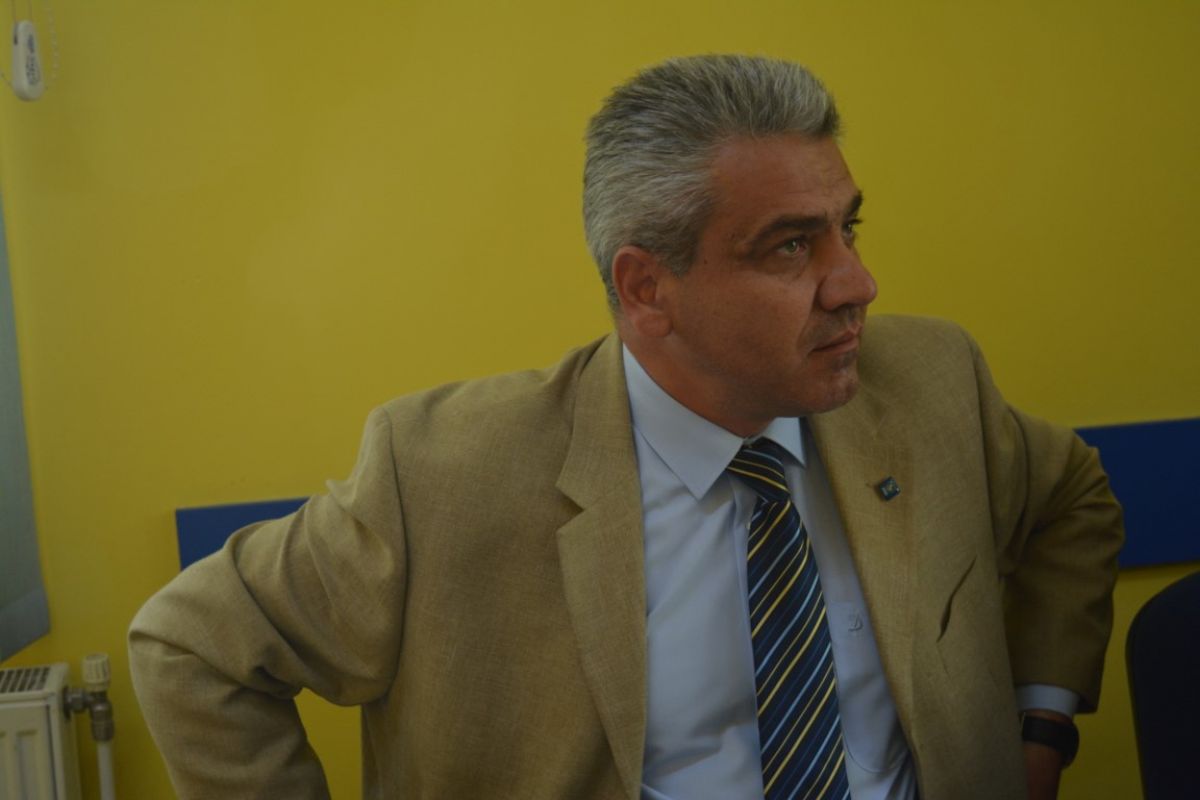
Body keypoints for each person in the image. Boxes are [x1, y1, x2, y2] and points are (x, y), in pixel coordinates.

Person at [129, 55, 1123, 800]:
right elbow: (190, 645)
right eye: (790, 247)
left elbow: (1072, 497)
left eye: (846, 228)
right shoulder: (442, 472)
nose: (856, 283)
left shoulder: (928, 381)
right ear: (648, 288)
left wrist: (1041, 726)